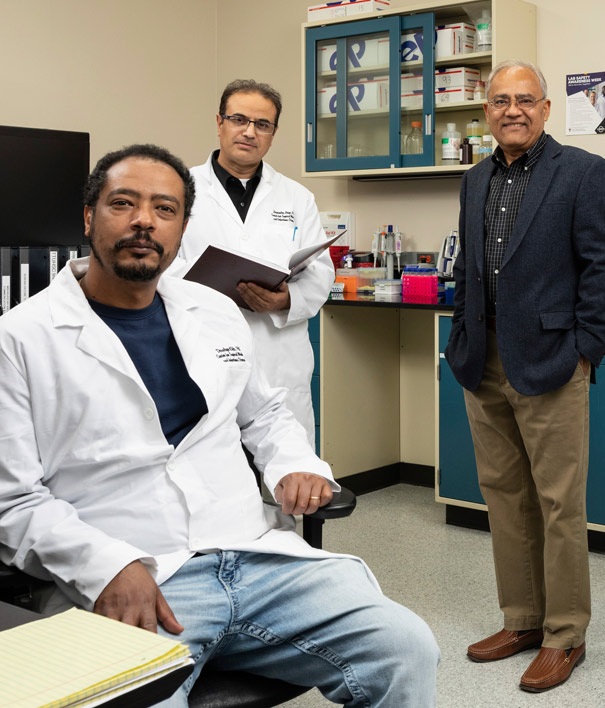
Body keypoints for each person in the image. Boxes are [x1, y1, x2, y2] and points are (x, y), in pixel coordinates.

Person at [0, 144, 438, 706]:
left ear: (181, 229)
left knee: (406, 647)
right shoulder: (23, 337)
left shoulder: (211, 310)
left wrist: (296, 465)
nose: (144, 221)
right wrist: (108, 564)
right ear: (89, 218)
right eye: (123, 204)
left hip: (257, 559)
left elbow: (267, 414)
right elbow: (12, 500)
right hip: (135, 575)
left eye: (164, 209)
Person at [445, 60, 605, 693]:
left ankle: (565, 634)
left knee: (558, 505)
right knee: (504, 497)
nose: (512, 110)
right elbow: (470, 266)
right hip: (482, 358)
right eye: (499, 101)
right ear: (486, 111)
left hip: (551, 358)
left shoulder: (580, 172)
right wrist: (460, 337)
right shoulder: (474, 179)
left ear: (546, 109)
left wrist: (586, 349)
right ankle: (522, 619)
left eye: (525, 99)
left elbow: (602, 264)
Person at [178, 79, 334, 443]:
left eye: (262, 124)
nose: (250, 132)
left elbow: (320, 273)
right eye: (239, 120)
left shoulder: (297, 198)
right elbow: (162, 265)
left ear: (273, 133)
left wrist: (285, 301)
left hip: (279, 357)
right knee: (212, 476)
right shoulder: (180, 188)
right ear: (219, 123)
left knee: (287, 480)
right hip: (204, 348)